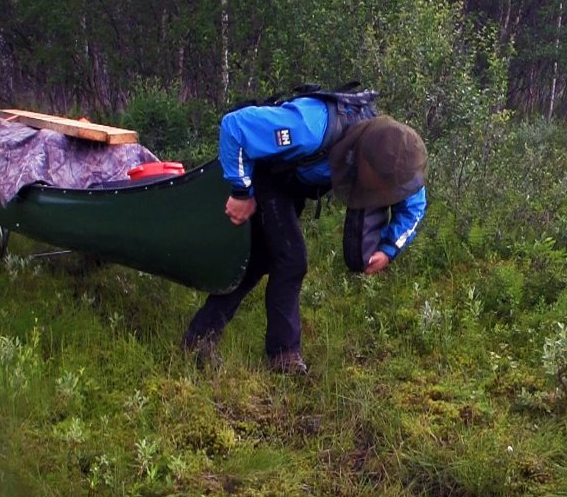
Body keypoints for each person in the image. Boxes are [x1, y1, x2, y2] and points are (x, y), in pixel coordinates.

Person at [182, 92, 428, 375]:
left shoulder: (394, 159)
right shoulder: (310, 127)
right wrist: (241, 191)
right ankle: (284, 356)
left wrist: (388, 249)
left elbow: (414, 205)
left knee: (260, 260)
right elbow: (234, 126)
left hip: (296, 184)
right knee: (291, 260)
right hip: (269, 176)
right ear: (359, 158)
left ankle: (199, 337)